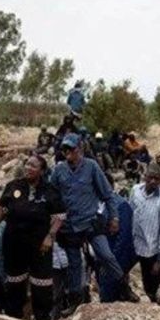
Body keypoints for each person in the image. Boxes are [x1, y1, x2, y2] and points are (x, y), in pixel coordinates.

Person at [51, 133, 124, 310]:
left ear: (80, 149)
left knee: (105, 254)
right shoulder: (59, 170)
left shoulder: (91, 167)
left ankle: (124, 288)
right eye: (65, 149)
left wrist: (114, 217)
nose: (68, 152)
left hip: (91, 221)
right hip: (69, 227)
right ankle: (76, 303)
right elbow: (51, 195)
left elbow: (107, 194)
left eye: (71, 148)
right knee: (74, 265)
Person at [0, 155, 65, 320]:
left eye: (33, 166)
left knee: (42, 282)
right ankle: (14, 318)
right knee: (15, 279)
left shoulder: (50, 190)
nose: (28, 168)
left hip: (40, 244)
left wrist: (50, 236)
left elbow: (59, 217)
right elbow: (2, 209)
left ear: (42, 171)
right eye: (27, 164)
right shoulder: (13, 186)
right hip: (14, 241)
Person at [127, 164, 160, 301]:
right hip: (133, 243)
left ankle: (155, 306)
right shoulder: (135, 190)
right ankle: (126, 296)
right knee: (121, 272)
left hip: (150, 249)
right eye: (150, 178)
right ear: (145, 177)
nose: (153, 181)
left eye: (156, 179)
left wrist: (159, 260)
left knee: (150, 283)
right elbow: (130, 212)